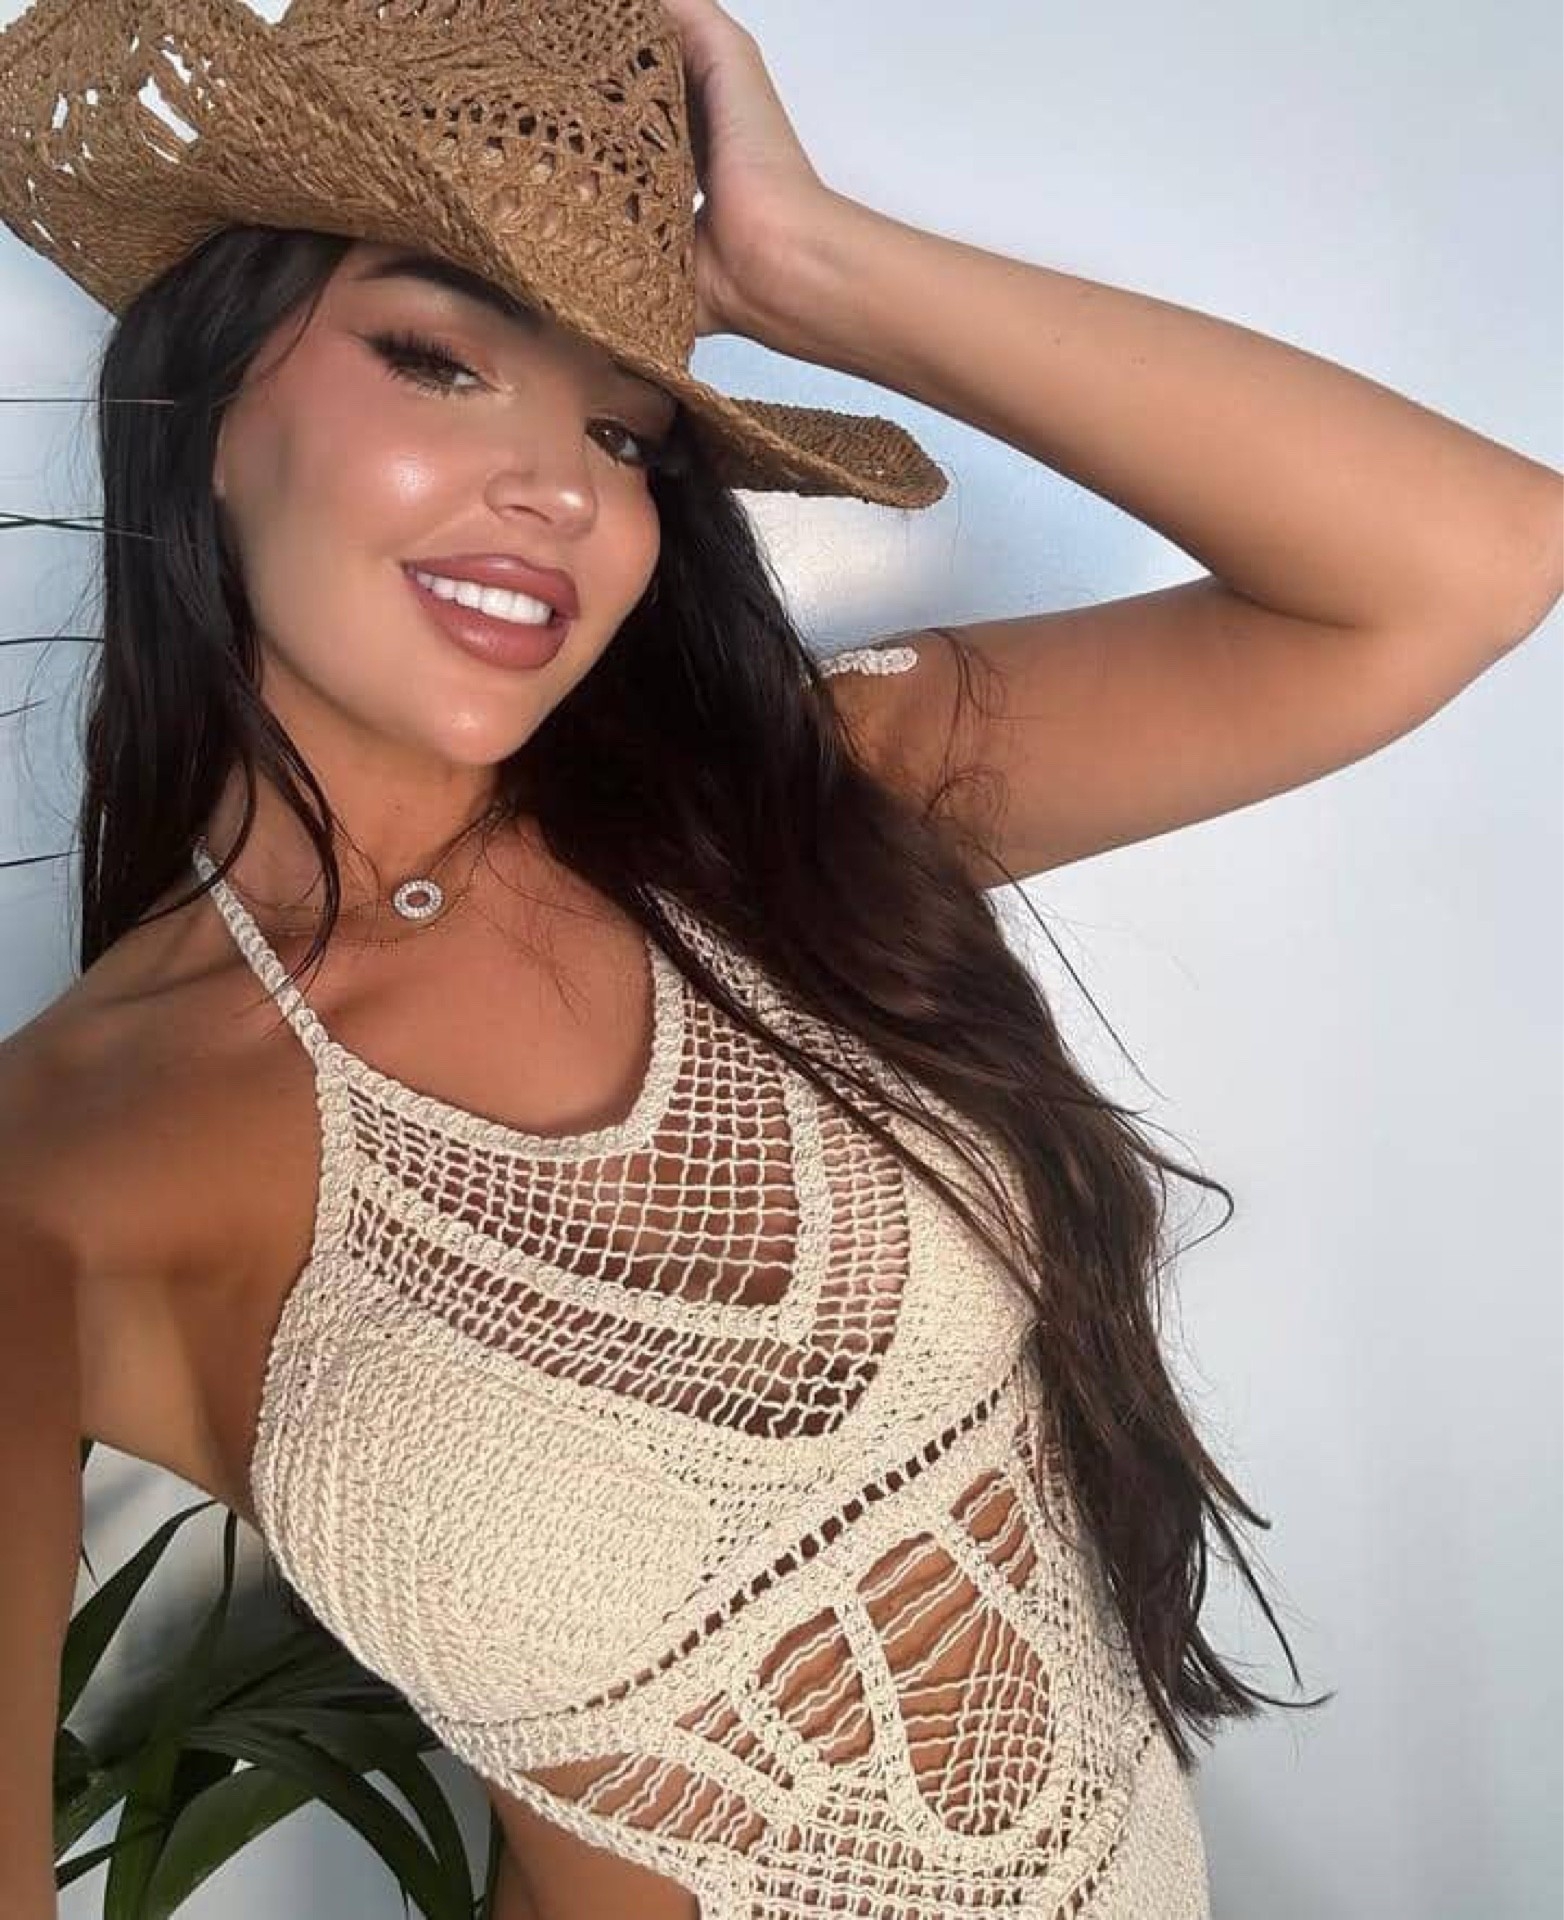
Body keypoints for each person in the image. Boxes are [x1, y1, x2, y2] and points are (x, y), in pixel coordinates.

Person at [1, 1, 1558, 1917]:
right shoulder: (61, 1160)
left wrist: (811, 268)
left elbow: (1470, 561)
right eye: (437, 359)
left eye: (627, 432)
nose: (563, 492)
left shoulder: (786, 805)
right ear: (202, 406)